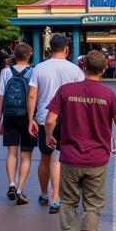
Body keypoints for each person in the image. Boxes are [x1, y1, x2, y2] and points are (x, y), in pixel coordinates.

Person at [45, 50, 116, 231]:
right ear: (103, 70)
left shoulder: (66, 91)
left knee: (68, 203)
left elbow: (51, 118)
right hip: (97, 159)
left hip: (70, 157)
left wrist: (49, 135)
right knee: (92, 206)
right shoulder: (108, 94)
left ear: (83, 68)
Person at [27, 33, 83, 213]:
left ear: (50, 49)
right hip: (68, 118)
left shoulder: (39, 68)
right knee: (58, 158)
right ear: (67, 49)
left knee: (45, 157)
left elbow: (32, 95)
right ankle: (56, 197)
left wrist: (31, 119)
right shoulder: (75, 70)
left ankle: (44, 193)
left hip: (44, 117)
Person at [0, 42, 36, 205]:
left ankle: (11, 183)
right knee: (26, 155)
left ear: (15, 55)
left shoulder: (6, 72)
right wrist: (33, 119)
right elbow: (34, 95)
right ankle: (20, 189)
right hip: (27, 116)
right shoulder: (33, 72)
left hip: (10, 116)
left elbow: (0, 97)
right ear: (29, 55)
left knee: (11, 152)